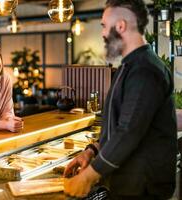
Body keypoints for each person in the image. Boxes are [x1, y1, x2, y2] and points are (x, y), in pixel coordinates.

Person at [64, 0, 177, 199]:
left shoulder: (145, 70)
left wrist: (88, 177)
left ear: (121, 26)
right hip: (129, 184)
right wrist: (91, 151)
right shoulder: (131, 66)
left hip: (143, 188)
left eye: (104, 26)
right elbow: (118, 124)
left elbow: (128, 131)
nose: (103, 34)